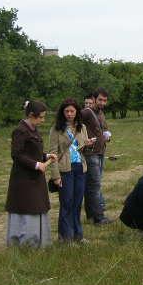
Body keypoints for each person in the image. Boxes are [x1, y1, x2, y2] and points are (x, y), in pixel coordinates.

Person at [5, 100, 56, 248]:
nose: (43, 120)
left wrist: (46, 156)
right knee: (27, 208)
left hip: (35, 179)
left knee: (37, 207)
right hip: (23, 180)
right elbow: (17, 155)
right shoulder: (20, 131)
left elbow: (34, 152)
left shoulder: (33, 129)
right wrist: (36, 164)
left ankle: (39, 241)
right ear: (31, 115)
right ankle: (24, 243)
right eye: (41, 117)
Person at [49, 98, 91, 242]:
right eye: (66, 111)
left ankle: (78, 236)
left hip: (80, 167)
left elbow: (81, 148)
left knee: (77, 203)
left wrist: (87, 143)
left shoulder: (82, 127)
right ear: (62, 112)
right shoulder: (56, 129)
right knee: (66, 203)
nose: (69, 113)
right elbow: (53, 153)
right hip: (64, 169)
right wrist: (55, 176)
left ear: (77, 112)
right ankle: (65, 238)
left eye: (72, 111)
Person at [81, 87, 113, 225]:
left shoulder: (100, 112)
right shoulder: (86, 113)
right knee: (95, 185)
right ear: (94, 99)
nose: (102, 102)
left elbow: (104, 128)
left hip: (100, 152)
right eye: (100, 99)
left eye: (105, 100)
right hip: (91, 153)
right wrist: (83, 140)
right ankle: (99, 218)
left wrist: (107, 135)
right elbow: (73, 126)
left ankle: (90, 216)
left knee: (91, 186)